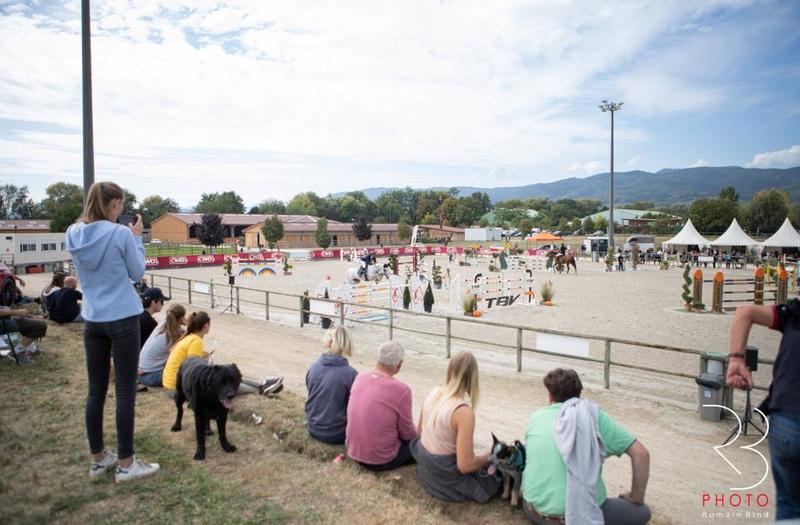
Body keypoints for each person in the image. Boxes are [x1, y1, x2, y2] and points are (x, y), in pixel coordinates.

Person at [66, 181, 160, 482]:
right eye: (120, 205)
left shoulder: (74, 232)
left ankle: (97, 459)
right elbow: (137, 272)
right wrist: (135, 239)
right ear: (115, 204)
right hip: (122, 316)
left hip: (92, 317)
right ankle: (126, 463)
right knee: (124, 391)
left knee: (95, 391)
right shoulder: (120, 233)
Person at [521, 368, 651, 525]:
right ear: (579, 393)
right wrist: (635, 497)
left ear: (550, 395)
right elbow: (641, 454)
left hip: (534, 511)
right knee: (643, 512)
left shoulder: (537, 417)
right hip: (574, 517)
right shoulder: (593, 416)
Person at [726, 299, 800, 520]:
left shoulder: (795, 312)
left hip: (784, 416)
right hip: (785, 415)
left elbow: (745, 311)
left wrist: (736, 359)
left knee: (788, 505)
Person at [411, 352, 501, 503]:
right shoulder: (463, 412)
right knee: (494, 478)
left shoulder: (433, 392)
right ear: (473, 379)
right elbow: (465, 465)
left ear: (450, 370)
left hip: (426, 464)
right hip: (445, 471)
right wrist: (488, 456)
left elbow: (419, 433)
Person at [162, 311, 281, 395]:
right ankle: (259, 389)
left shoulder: (188, 337)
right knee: (223, 382)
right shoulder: (195, 341)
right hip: (177, 388)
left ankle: (261, 384)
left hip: (171, 384)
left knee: (225, 373)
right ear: (206, 326)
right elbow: (194, 371)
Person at [346, 341, 417, 471]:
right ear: (399, 364)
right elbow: (408, 434)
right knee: (420, 445)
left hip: (354, 451)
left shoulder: (360, 378)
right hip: (381, 459)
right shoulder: (402, 390)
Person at [305, 326, 358, 444]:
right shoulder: (351, 374)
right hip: (337, 433)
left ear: (328, 343)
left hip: (312, 427)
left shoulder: (314, 367)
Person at [138, 304, 186, 387]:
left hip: (141, 371)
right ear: (182, 318)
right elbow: (189, 342)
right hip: (151, 376)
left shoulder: (162, 326)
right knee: (186, 373)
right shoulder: (173, 335)